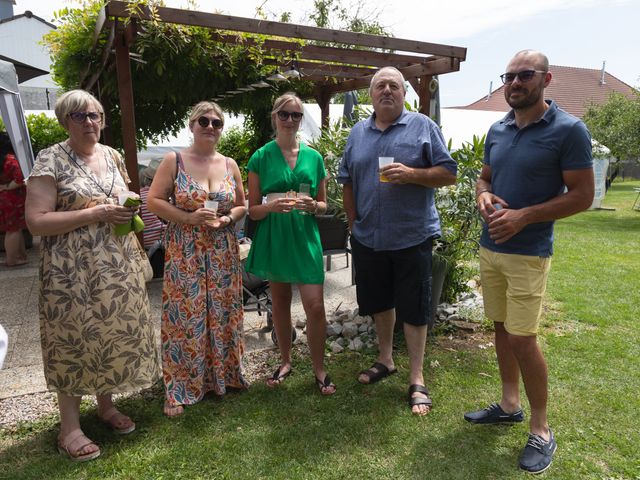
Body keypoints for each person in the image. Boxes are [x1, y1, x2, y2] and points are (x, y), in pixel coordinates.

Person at [464, 50, 594, 474]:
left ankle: (541, 429)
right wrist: (483, 193)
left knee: (523, 338)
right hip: (491, 247)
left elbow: (582, 195)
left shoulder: (569, 130)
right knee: (501, 329)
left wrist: (524, 216)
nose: (515, 83)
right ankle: (508, 404)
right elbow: (485, 176)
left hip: (529, 252)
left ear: (546, 79)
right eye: (509, 76)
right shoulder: (497, 129)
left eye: (524, 75)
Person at [25, 90, 160, 462]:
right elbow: (36, 220)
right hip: (70, 271)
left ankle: (106, 406)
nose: (89, 122)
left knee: (109, 334)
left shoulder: (112, 155)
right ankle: (69, 429)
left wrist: (126, 210)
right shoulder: (50, 159)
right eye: (79, 116)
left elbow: (124, 196)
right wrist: (95, 214)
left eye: (95, 115)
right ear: (64, 120)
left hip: (115, 266)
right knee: (71, 338)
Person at [337, 67, 457, 415]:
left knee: (415, 307)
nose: (386, 91)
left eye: (393, 86)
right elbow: (347, 178)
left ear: (404, 93)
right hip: (368, 237)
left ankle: (416, 378)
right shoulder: (358, 133)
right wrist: (352, 219)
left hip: (411, 235)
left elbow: (448, 172)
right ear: (370, 94)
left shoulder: (423, 126)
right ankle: (385, 359)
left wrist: (413, 174)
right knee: (380, 302)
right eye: (379, 86)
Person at [147, 101, 248, 417]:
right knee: (185, 316)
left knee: (222, 312)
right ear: (191, 125)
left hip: (221, 250)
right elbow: (153, 201)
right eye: (203, 120)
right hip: (186, 250)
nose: (210, 126)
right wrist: (187, 218)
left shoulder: (229, 163)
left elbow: (242, 205)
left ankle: (224, 377)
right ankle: (178, 387)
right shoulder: (173, 160)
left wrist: (227, 220)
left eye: (216, 122)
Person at [245, 92, 335, 395]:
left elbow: (325, 205)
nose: (290, 120)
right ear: (275, 117)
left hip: (305, 236)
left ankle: (319, 368)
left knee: (315, 305)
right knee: (280, 303)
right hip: (274, 236)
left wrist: (314, 207)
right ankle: (285, 361)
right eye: (284, 114)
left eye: (296, 115)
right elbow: (252, 210)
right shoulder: (260, 156)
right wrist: (271, 207)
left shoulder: (315, 157)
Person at [0, 132, 27, 266]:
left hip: (2, 199)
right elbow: (20, 179)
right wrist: (6, 186)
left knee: (14, 228)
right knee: (13, 230)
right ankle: (11, 259)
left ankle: (20, 255)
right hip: (12, 199)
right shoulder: (10, 159)